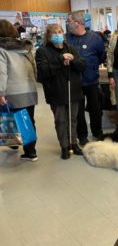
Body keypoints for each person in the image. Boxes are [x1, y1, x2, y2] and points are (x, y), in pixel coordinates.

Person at [36, 24, 86, 160]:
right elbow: (43, 71)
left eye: (60, 32)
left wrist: (73, 59)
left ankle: (73, 143)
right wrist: (60, 59)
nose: (58, 35)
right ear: (49, 36)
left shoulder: (71, 48)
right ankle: (64, 146)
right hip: (56, 92)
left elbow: (82, 66)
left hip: (73, 91)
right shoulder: (42, 51)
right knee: (61, 121)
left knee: (73, 119)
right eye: (54, 33)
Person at [0, 19, 38, 161]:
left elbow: (2, 73)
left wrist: (1, 93)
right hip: (29, 88)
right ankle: (31, 151)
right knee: (28, 120)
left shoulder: (1, 49)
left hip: (13, 91)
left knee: (10, 117)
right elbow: (34, 68)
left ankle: (14, 143)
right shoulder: (26, 46)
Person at [66, 11, 105, 145]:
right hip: (74, 81)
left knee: (95, 108)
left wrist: (92, 67)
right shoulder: (67, 38)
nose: (67, 23)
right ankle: (82, 136)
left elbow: (101, 56)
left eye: (68, 20)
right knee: (78, 111)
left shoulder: (95, 38)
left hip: (92, 80)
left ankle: (97, 132)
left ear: (77, 23)